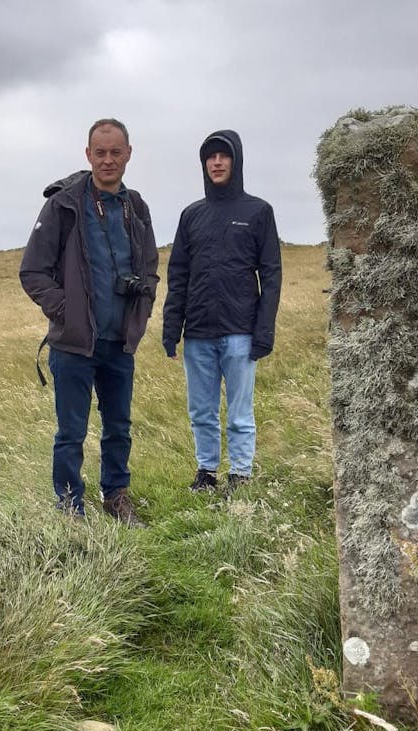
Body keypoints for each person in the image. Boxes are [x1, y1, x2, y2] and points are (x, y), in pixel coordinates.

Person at [18, 118, 160, 525]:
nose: (108, 160)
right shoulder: (63, 205)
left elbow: (149, 269)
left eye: (116, 152)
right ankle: (70, 510)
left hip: (119, 342)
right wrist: (65, 311)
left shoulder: (137, 207)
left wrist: (141, 311)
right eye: (100, 153)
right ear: (88, 155)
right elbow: (32, 272)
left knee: (119, 427)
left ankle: (115, 496)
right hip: (74, 344)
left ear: (129, 154)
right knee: (71, 434)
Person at [161, 129, 281, 494]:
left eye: (223, 155)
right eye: (210, 156)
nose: (216, 162)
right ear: (203, 164)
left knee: (240, 414)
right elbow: (178, 274)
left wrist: (264, 331)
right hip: (198, 332)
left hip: (241, 332)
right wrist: (171, 327)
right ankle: (207, 471)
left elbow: (272, 275)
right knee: (202, 411)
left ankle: (241, 474)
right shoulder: (191, 215)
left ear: (236, 161)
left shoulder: (258, 211)